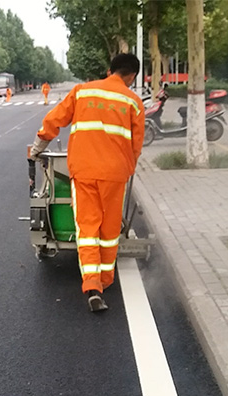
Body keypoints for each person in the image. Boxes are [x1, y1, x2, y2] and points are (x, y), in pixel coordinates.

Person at [29, 53, 145, 312]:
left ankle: (92, 286)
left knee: (88, 226)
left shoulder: (82, 92)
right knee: (110, 226)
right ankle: (106, 279)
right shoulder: (134, 102)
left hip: (84, 171)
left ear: (108, 70)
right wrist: (128, 169)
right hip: (115, 174)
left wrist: (38, 146)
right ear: (132, 76)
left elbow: (54, 120)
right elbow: (136, 145)